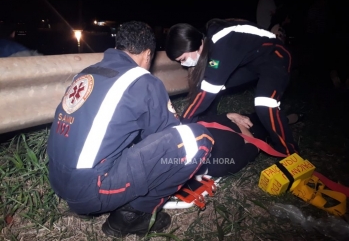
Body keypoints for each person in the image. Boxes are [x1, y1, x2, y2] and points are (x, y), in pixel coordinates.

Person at [47, 21, 214, 238]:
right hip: (90, 189)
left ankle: (96, 201)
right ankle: (133, 215)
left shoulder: (87, 72)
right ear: (147, 54)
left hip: (58, 181)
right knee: (197, 138)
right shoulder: (142, 81)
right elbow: (168, 138)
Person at [165, 18, 299, 156]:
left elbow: (207, 91)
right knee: (211, 86)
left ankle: (289, 152)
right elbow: (205, 88)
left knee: (265, 103)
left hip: (275, 56)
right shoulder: (210, 45)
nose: (183, 64)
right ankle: (209, 125)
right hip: (252, 63)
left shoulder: (221, 43)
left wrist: (183, 123)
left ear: (191, 44)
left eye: (183, 59)